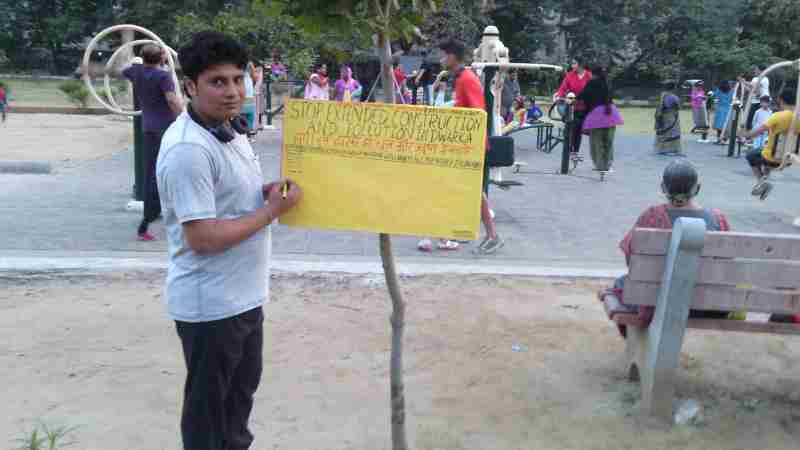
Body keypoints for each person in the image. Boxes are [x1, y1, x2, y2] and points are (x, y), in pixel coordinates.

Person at [156, 31, 303, 450]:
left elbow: (229, 202)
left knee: (236, 412)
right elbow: (202, 236)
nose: (233, 91)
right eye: (217, 82)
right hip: (212, 308)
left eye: (238, 80)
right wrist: (272, 211)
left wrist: (264, 194)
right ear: (190, 87)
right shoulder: (188, 149)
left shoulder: (229, 131)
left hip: (243, 298)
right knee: (208, 420)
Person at [599, 160, 731, 337]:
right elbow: (725, 266)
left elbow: (632, 262)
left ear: (663, 188)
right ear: (697, 189)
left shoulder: (652, 217)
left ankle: (638, 338)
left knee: (624, 285)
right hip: (704, 304)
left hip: (656, 301)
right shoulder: (718, 220)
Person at [440, 39, 503, 254]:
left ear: (453, 57)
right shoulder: (461, 79)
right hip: (466, 145)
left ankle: (451, 235)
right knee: (473, 192)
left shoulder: (466, 79)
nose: (442, 59)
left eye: (445, 54)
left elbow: (477, 114)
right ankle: (488, 235)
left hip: (470, 146)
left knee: (463, 190)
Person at [123, 44, 183, 241]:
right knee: (172, 171)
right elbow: (172, 101)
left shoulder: (136, 71)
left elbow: (119, 70)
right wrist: (185, 117)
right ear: (162, 58)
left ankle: (147, 223)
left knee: (152, 174)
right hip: (166, 129)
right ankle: (160, 219)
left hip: (148, 128)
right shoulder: (163, 76)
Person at [740, 88, 800, 200]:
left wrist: (745, 135)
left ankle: (761, 182)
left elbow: (758, 131)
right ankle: (765, 180)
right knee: (763, 149)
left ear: (781, 100)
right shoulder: (798, 117)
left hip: (770, 157)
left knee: (750, 155)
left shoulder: (778, 116)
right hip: (787, 159)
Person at [579, 70, 623, 176]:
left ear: (594, 74)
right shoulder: (607, 83)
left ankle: (599, 166)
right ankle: (607, 165)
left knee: (596, 142)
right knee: (609, 142)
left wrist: (572, 99)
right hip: (611, 115)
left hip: (596, 116)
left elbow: (582, 96)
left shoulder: (591, 83)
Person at [554, 59, 593, 155]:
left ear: (580, 64)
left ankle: (575, 151)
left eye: (574, 63)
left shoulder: (589, 75)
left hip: (585, 106)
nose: (572, 65)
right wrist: (559, 96)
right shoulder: (570, 75)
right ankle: (570, 149)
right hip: (572, 106)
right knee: (573, 127)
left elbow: (593, 89)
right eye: (572, 63)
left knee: (579, 129)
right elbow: (563, 88)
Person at [740, 65, 770, 130]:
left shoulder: (765, 79)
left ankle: (758, 135)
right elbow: (751, 90)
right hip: (754, 101)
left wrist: (744, 82)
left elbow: (756, 88)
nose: (755, 71)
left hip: (763, 101)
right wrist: (743, 83)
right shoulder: (754, 79)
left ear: (761, 71)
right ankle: (748, 136)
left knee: (760, 119)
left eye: (756, 69)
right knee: (749, 119)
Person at [654, 89, 684, 155]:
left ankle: (661, 149)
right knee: (672, 133)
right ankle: (672, 149)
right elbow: (679, 106)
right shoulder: (674, 97)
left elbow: (658, 106)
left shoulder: (661, 96)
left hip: (661, 117)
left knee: (663, 133)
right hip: (671, 117)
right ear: (673, 89)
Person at [241, 62, 257, 138]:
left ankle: (243, 132)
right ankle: (249, 132)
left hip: (243, 97)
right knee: (250, 115)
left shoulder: (240, 77)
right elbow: (255, 77)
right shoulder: (251, 78)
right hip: (250, 97)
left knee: (242, 115)